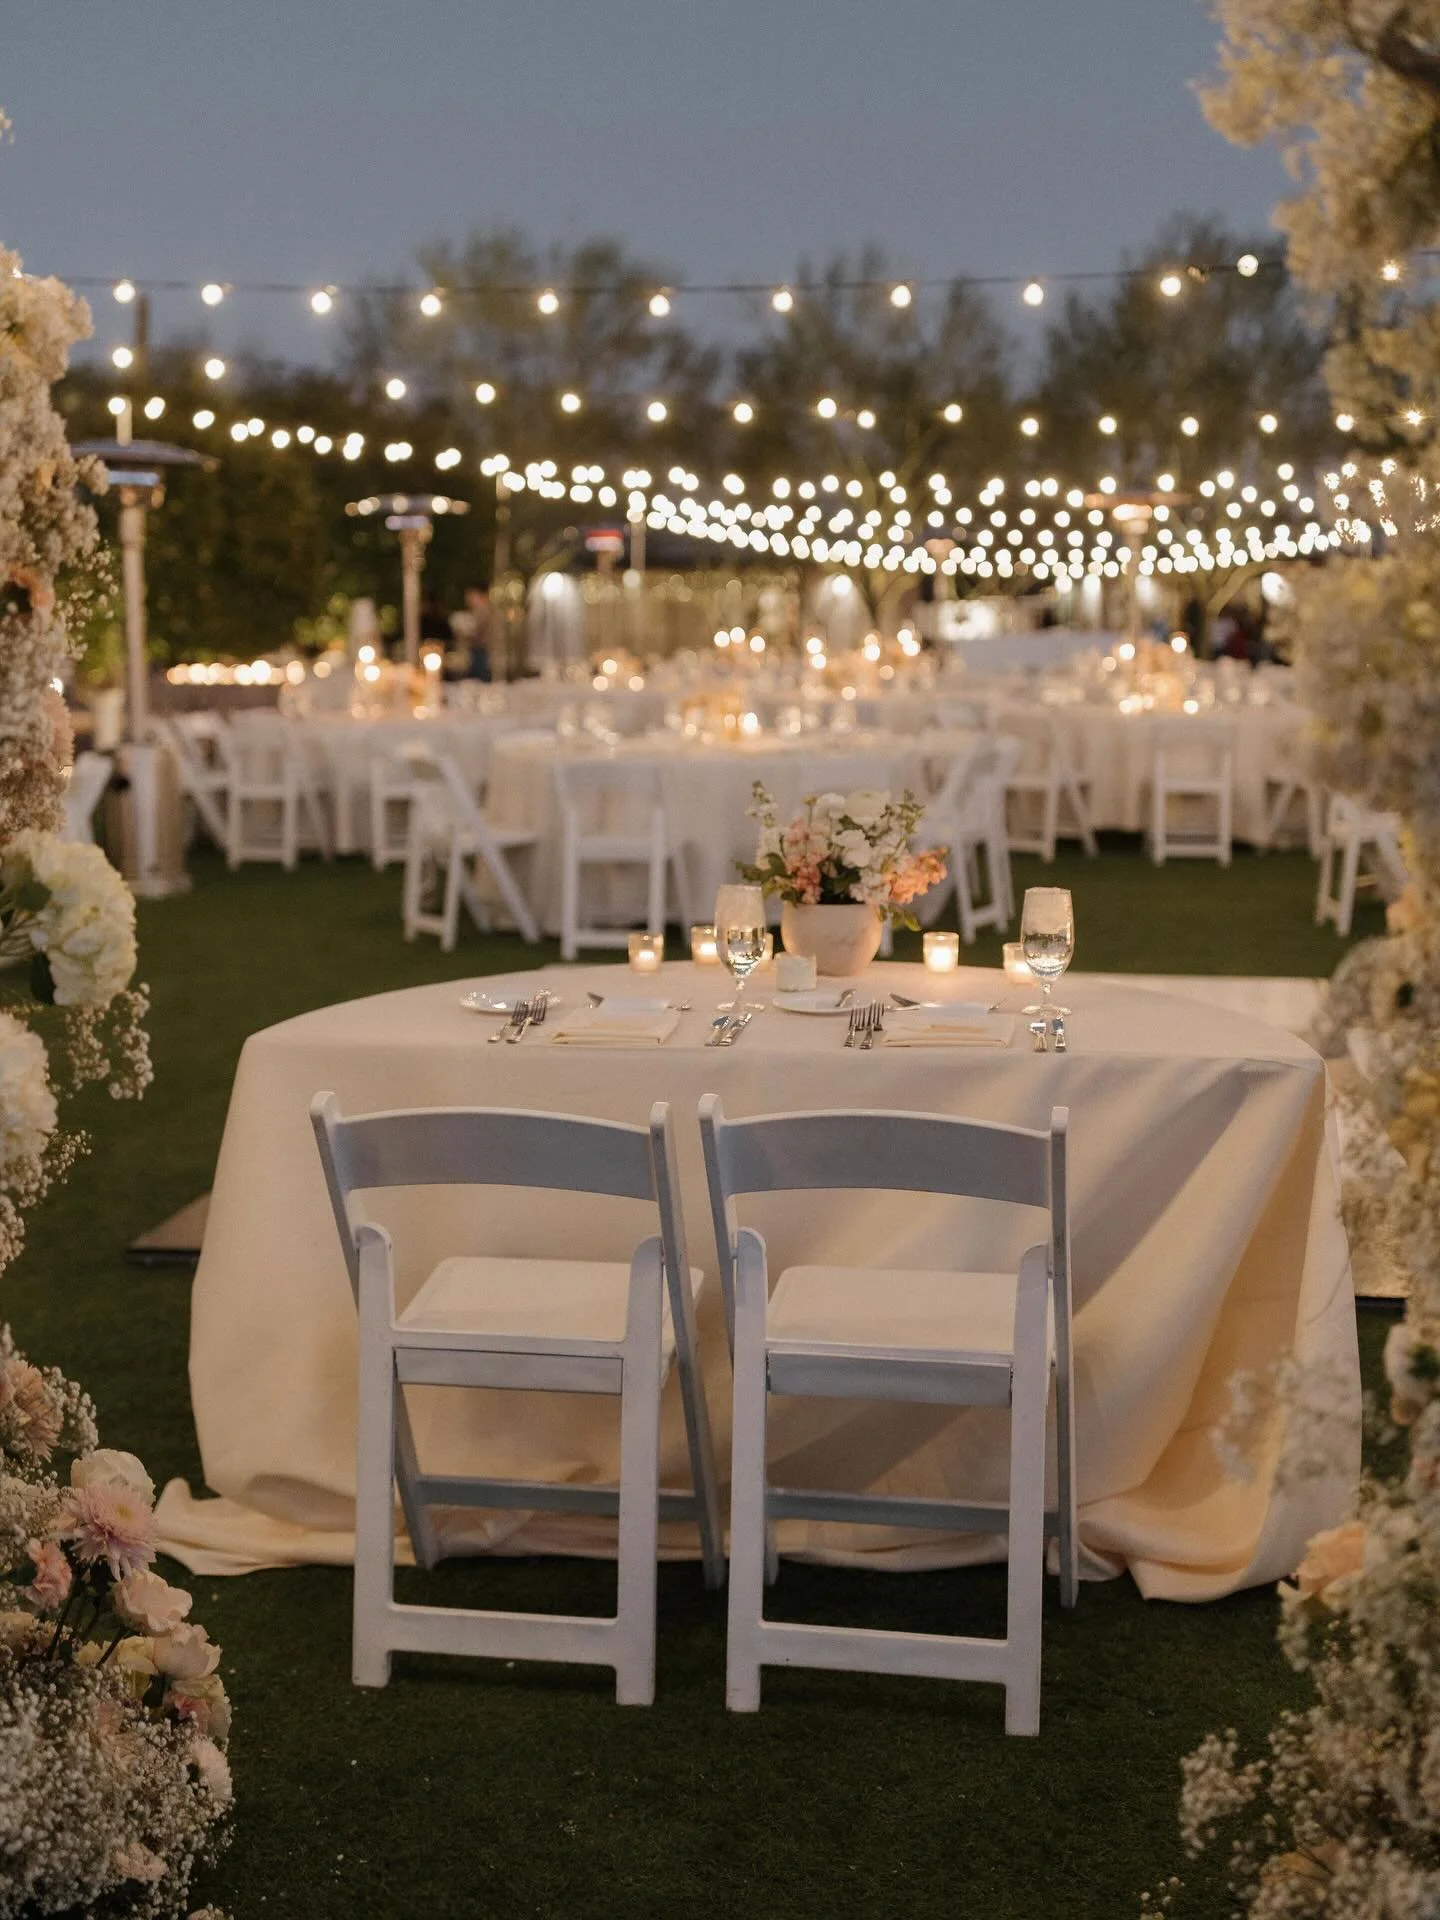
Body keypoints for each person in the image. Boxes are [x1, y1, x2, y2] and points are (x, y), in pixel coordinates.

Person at [462, 582, 494, 682]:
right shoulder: (480, 609)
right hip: (478, 648)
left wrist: (465, 632)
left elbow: (476, 630)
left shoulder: (482, 609)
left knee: (478, 677)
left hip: (480, 647)